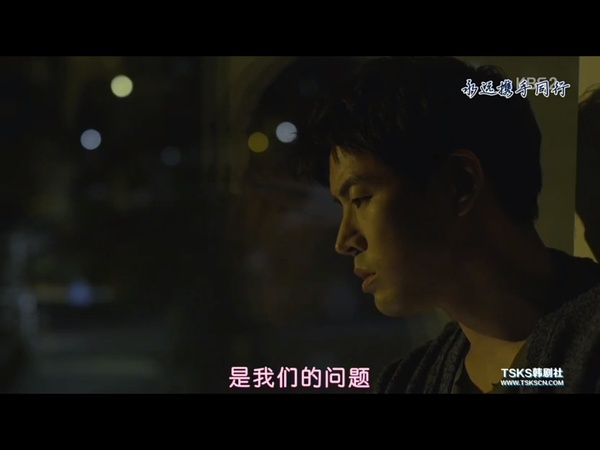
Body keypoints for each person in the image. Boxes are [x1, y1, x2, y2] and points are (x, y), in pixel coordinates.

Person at [295, 56, 600, 393]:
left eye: (361, 199)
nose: (344, 241)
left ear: (459, 184)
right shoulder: (405, 382)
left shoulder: (589, 345)